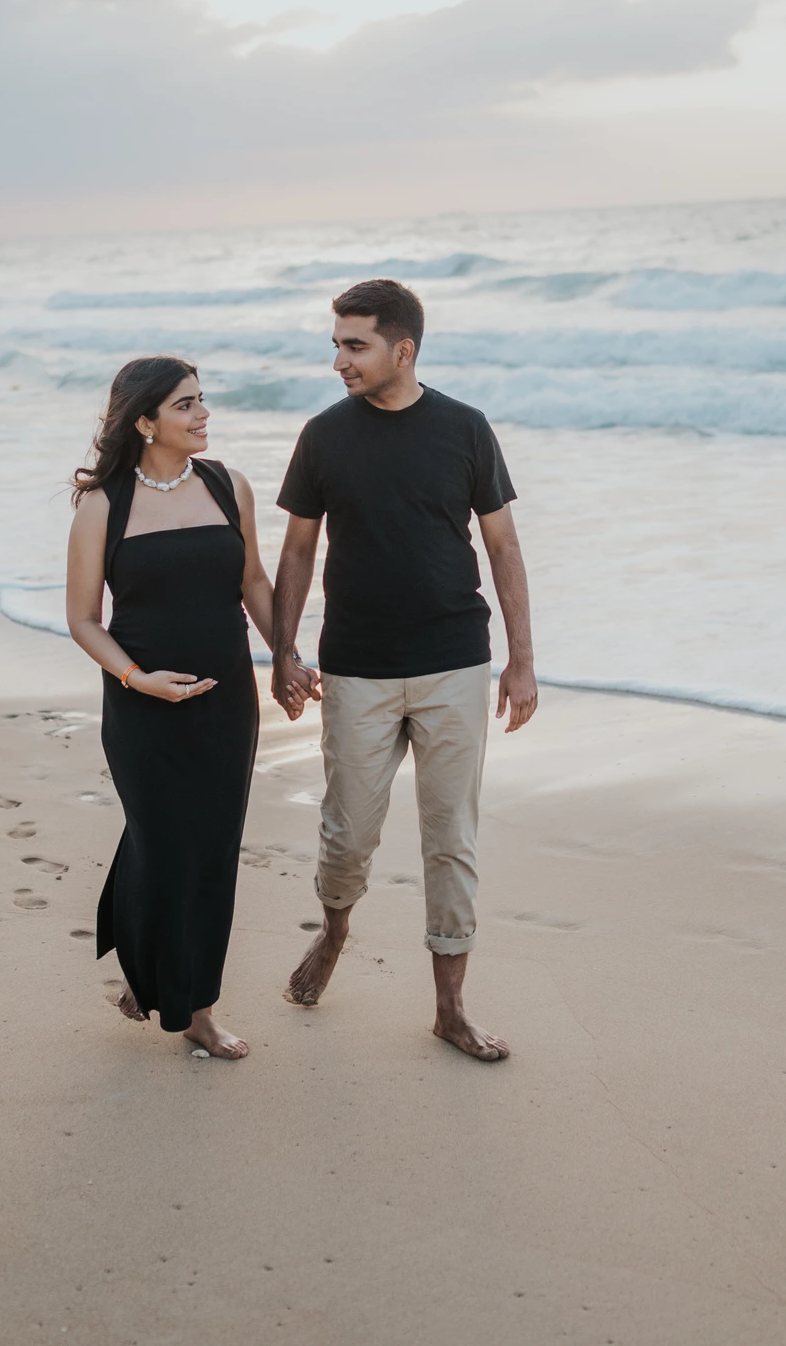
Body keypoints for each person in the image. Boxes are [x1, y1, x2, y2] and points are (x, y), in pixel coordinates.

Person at [272, 278, 538, 1061]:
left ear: (403, 348)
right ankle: (334, 930)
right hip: (355, 666)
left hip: (455, 661)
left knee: (451, 837)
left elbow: (503, 547)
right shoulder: (323, 436)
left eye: (354, 345)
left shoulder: (464, 428)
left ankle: (450, 1008)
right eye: (336, 345)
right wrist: (284, 651)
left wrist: (522, 662)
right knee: (348, 831)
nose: (339, 361)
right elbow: (296, 550)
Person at [66, 354, 275, 1060]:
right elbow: (84, 619)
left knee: (211, 852)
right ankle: (153, 969)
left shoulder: (228, 486)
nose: (203, 413)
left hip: (226, 703)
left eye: (202, 399)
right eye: (185, 404)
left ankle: (197, 1009)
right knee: (161, 844)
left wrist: (291, 656)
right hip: (142, 708)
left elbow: (253, 581)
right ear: (146, 420)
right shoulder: (105, 505)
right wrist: (136, 678)